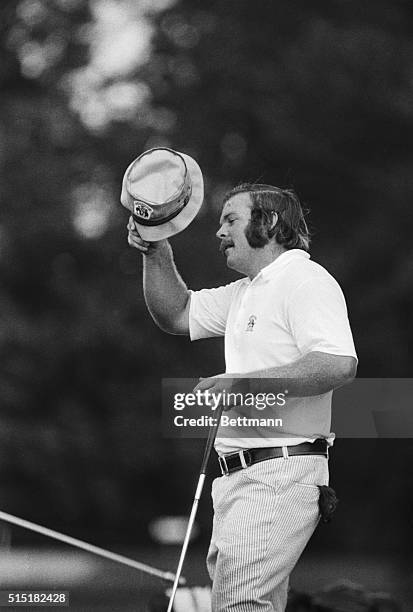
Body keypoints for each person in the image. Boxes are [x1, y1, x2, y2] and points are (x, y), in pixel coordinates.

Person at [127, 182, 357, 612]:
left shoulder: (304, 280)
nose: (219, 231)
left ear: (269, 222)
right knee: (248, 604)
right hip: (239, 478)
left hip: (280, 471)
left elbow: (339, 365)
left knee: (238, 603)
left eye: (230, 219)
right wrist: (155, 251)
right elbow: (176, 314)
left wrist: (244, 383)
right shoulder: (245, 292)